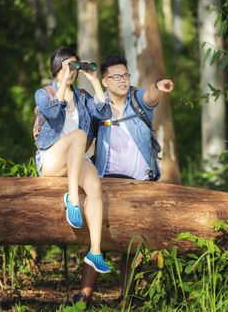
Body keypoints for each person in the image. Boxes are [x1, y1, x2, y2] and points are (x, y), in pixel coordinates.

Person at [73, 54, 174, 307]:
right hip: (107, 181)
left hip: (140, 183)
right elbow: (83, 142)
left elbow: (150, 95)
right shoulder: (99, 107)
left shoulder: (137, 101)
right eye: (116, 76)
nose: (122, 80)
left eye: (125, 75)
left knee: (132, 242)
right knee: (101, 238)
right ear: (105, 81)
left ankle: (126, 297)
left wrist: (159, 85)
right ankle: (83, 297)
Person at [34, 47, 112, 274]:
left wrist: (95, 82)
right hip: (50, 159)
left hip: (75, 161)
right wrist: (62, 84)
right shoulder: (44, 93)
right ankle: (73, 201)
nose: (73, 71)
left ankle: (95, 251)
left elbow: (105, 114)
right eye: (69, 65)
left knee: (95, 186)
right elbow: (50, 114)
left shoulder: (82, 97)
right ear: (58, 66)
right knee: (78, 135)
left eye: (75, 67)